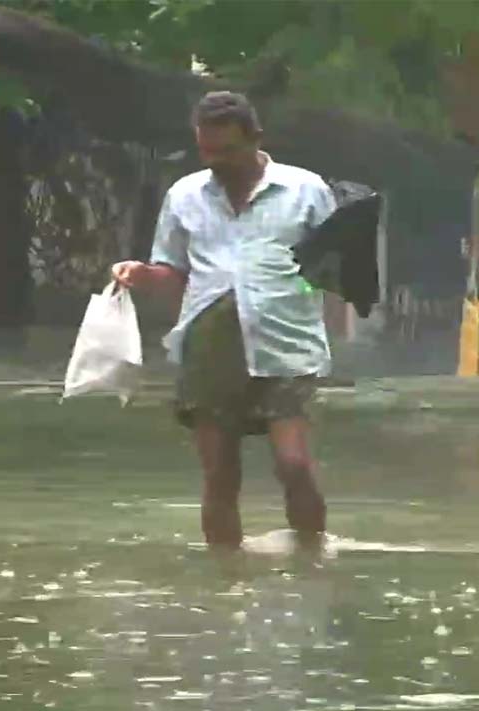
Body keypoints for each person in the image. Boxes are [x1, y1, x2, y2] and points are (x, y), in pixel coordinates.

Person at [112, 91, 337, 550]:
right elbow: (171, 270)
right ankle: (224, 580)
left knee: (293, 463)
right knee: (220, 474)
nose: (216, 161)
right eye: (206, 151)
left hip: (286, 342)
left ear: (255, 139)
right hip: (209, 343)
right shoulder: (185, 195)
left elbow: (333, 271)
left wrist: (326, 329)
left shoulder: (307, 190)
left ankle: (313, 565)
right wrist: (140, 274)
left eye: (227, 151)